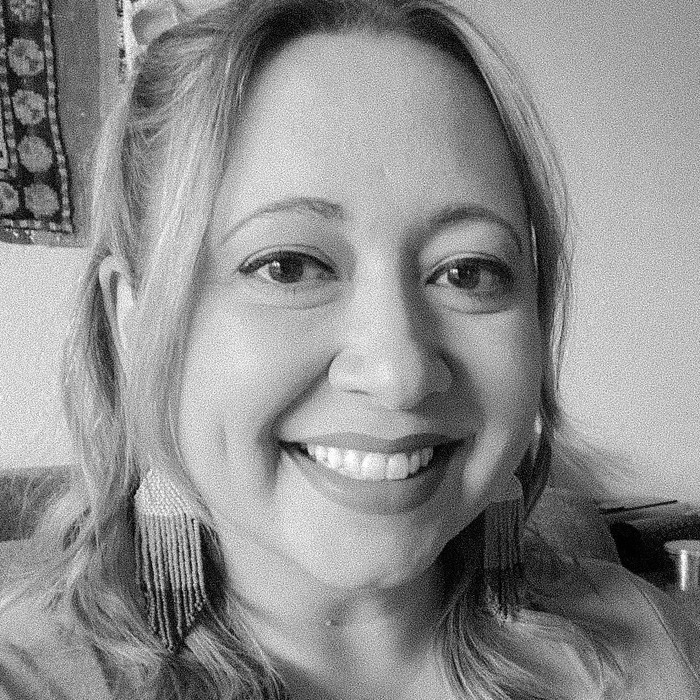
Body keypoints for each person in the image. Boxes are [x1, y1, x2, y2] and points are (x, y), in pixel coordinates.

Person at [1, 1, 699, 698]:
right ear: (133, 322)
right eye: (288, 267)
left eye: (468, 271)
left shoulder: (654, 649)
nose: (400, 374)